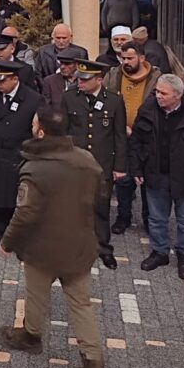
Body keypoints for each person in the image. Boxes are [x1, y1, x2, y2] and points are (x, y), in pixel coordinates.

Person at [0, 107, 107, 368]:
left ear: (41, 131)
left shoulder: (35, 168)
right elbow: (101, 196)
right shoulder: (87, 160)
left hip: (42, 248)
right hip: (79, 247)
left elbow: (25, 214)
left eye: (34, 123)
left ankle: (30, 335)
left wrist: (6, 242)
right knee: (81, 305)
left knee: (36, 294)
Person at [129, 74, 184, 280]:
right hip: (155, 174)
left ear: (177, 96)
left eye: (163, 93)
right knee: (157, 218)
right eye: (157, 91)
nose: (158, 96)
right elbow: (136, 143)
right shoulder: (148, 109)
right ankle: (160, 251)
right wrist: (137, 169)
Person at [62, 60, 128, 270]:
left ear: (99, 80)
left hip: (102, 165)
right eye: (79, 78)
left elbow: (119, 137)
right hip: (76, 165)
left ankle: (103, 248)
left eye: (85, 79)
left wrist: (119, 166)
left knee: (101, 208)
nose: (79, 82)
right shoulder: (69, 98)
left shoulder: (115, 101)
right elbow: (63, 133)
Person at [0, 60, 42, 254]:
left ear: (14, 79)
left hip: (19, 157)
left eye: (2, 81)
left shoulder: (33, 99)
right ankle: (0, 234)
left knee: (18, 201)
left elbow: (38, 133)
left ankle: (19, 238)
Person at [103, 43, 161, 234]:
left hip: (149, 139)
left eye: (130, 58)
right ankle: (123, 216)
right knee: (123, 180)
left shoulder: (156, 78)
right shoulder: (113, 75)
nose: (125, 62)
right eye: (123, 58)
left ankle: (148, 218)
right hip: (121, 137)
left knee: (148, 181)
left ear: (142, 58)